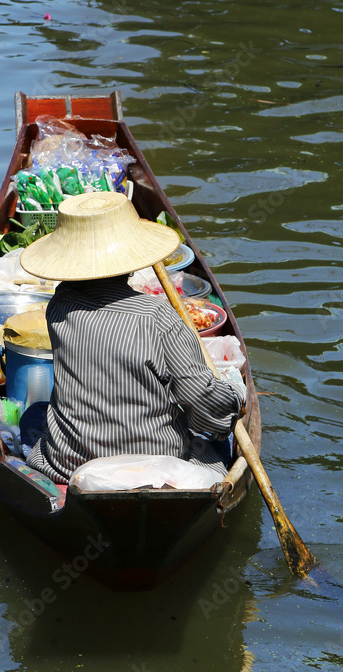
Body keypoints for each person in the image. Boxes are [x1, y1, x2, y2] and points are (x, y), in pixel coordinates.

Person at [19, 191, 245, 485]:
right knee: (215, 436)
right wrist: (234, 397)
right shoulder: (159, 318)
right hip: (155, 464)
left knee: (35, 415)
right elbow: (203, 405)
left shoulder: (59, 305)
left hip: (69, 463)